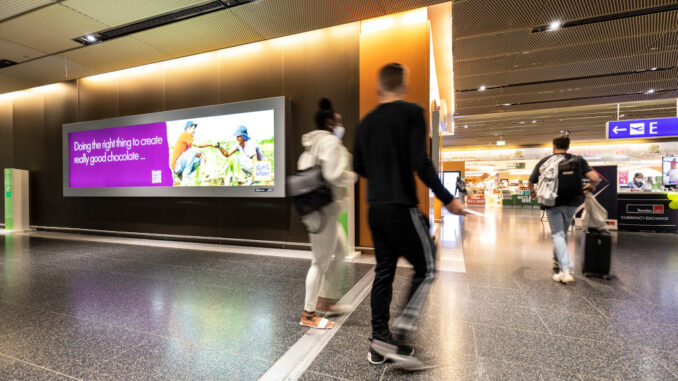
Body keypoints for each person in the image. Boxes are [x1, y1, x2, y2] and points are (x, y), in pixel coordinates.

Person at [353, 63, 466, 367]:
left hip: (375, 210)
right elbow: (422, 163)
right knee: (427, 265)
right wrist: (447, 199)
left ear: (379, 88)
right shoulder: (412, 113)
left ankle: (379, 342)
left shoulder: (365, 123)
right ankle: (402, 329)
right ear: (402, 86)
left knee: (384, 271)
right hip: (401, 208)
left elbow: (359, 167)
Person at [298, 98, 357, 329]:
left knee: (340, 249)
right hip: (324, 212)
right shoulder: (330, 142)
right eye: (338, 121)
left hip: (315, 211)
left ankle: (326, 298)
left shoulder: (311, 145)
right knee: (320, 262)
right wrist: (351, 177)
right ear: (330, 122)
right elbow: (334, 176)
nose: (340, 125)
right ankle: (309, 313)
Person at [528, 134, 600, 284]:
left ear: (553, 146)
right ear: (568, 147)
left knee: (558, 234)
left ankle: (566, 270)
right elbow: (594, 178)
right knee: (562, 233)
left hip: (552, 201)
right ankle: (557, 261)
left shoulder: (545, 161)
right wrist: (590, 187)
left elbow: (531, 181)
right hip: (572, 202)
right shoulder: (578, 160)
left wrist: (533, 192)